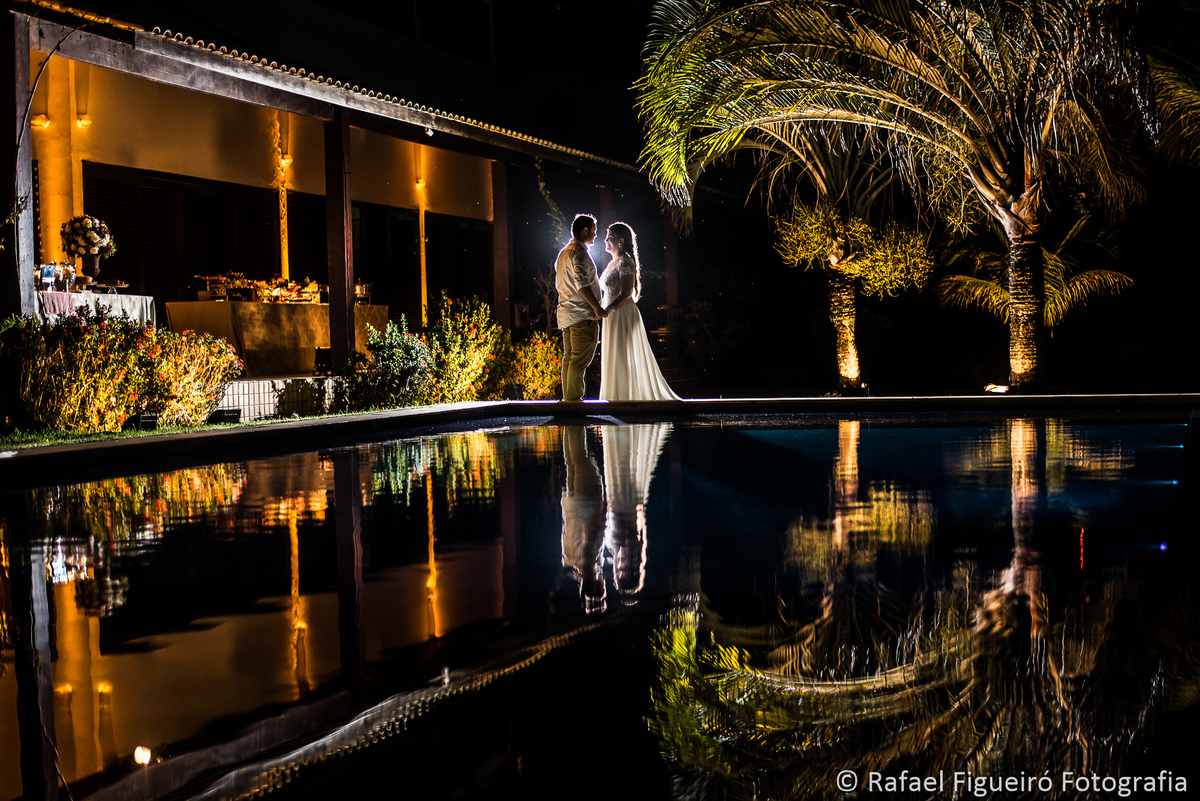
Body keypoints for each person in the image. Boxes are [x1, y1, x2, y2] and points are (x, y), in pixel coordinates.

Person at [599, 222, 681, 401]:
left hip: (622, 314)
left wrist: (608, 310)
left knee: (623, 354)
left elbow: (626, 292)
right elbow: (607, 293)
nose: (605, 240)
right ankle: (614, 397)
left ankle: (627, 398)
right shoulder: (612, 263)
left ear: (620, 241)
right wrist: (600, 308)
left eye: (610, 237)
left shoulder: (626, 261)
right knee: (614, 356)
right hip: (611, 315)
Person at [555, 214, 607, 401]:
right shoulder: (579, 253)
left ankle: (569, 399)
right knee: (578, 361)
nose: (595, 235)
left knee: (570, 359)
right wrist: (596, 308)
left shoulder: (563, 254)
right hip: (581, 315)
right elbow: (581, 283)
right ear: (585, 230)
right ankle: (573, 402)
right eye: (593, 230)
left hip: (567, 315)